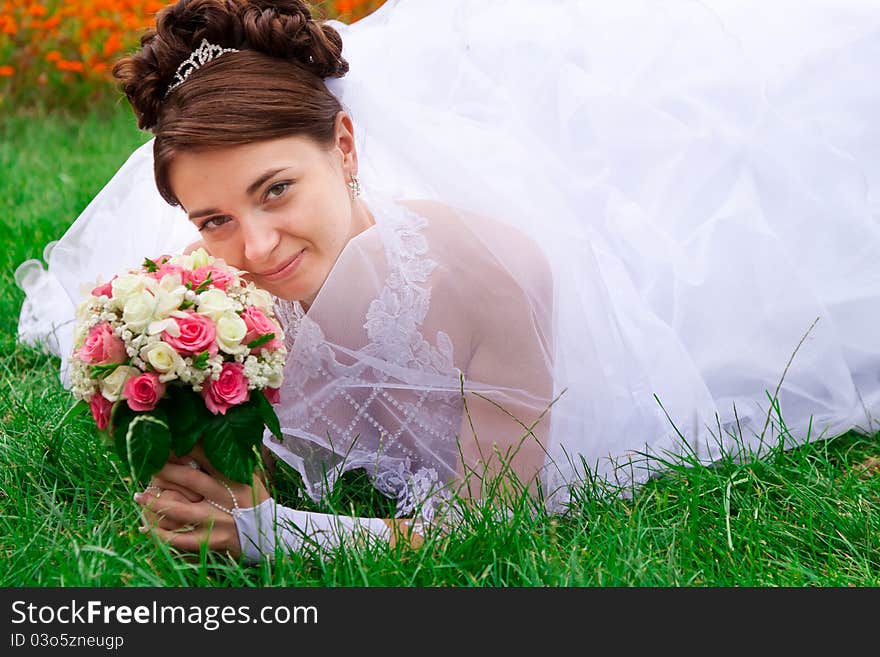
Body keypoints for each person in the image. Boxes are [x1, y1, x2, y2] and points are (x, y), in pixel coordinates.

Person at [15, 0, 880, 563]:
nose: (258, 245)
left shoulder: (497, 276)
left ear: (345, 149)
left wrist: (270, 530)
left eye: (276, 189)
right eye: (213, 219)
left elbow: (494, 524)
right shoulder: (201, 299)